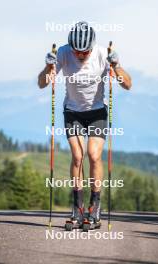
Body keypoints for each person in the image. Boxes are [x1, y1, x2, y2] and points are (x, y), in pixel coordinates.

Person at [38, 21, 131, 229]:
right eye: (77, 51)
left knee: (94, 155)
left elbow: (127, 85)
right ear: (71, 47)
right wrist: (48, 66)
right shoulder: (63, 53)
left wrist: (116, 65)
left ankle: (94, 207)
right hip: (73, 113)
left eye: (85, 52)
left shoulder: (101, 55)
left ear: (92, 47)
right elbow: (42, 83)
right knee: (78, 157)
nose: (80, 55)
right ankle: (77, 209)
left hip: (97, 111)